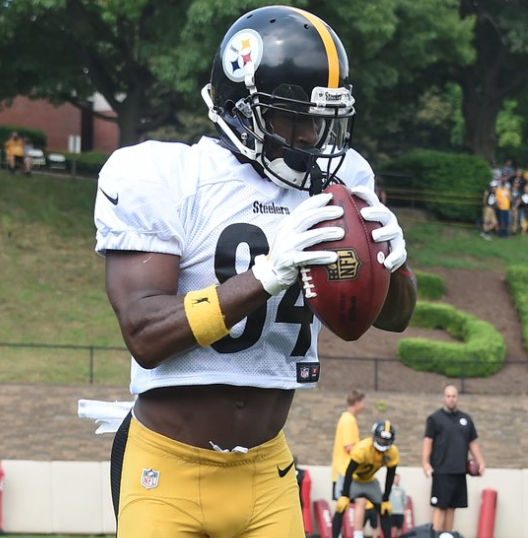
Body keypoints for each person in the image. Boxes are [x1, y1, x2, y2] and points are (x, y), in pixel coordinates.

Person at [96, 7, 417, 537]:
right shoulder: (166, 177)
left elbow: (393, 319)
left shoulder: (342, 180)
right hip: (167, 471)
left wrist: (395, 265)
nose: (314, 135)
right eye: (295, 115)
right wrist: (267, 276)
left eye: (325, 118)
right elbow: (144, 333)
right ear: (241, 108)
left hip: (267, 473)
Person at [422, 385, 486, 534]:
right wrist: (425, 463)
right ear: (444, 398)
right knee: (440, 507)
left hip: (459, 470)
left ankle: (447, 535)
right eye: (448, 396)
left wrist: (481, 462)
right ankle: (436, 535)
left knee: (452, 507)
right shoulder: (434, 418)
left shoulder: (465, 419)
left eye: (454, 396)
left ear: (457, 398)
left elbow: (472, 442)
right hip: (441, 470)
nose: (451, 399)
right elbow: (428, 441)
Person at [332, 421, 400, 538]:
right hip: (352, 478)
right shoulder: (363, 448)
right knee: (341, 506)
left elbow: (390, 476)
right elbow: (350, 471)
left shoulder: (392, 452)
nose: (383, 442)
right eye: (381, 439)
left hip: (368, 480)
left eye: (386, 440)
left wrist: (386, 498)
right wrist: (345, 494)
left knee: (384, 509)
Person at [332, 390, 366, 505]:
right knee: (346, 505)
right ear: (356, 402)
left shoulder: (347, 418)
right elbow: (349, 447)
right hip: (344, 471)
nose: (363, 406)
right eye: (362, 403)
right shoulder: (348, 420)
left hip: (344, 470)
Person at [389, 473, 407, 537]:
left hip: (400, 512)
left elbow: (404, 501)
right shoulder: (389, 488)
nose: (396, 479)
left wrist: (404, 510)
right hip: (391, 511)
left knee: (399, 527)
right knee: (392, 527)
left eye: (397, 478)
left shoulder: (402, 489)